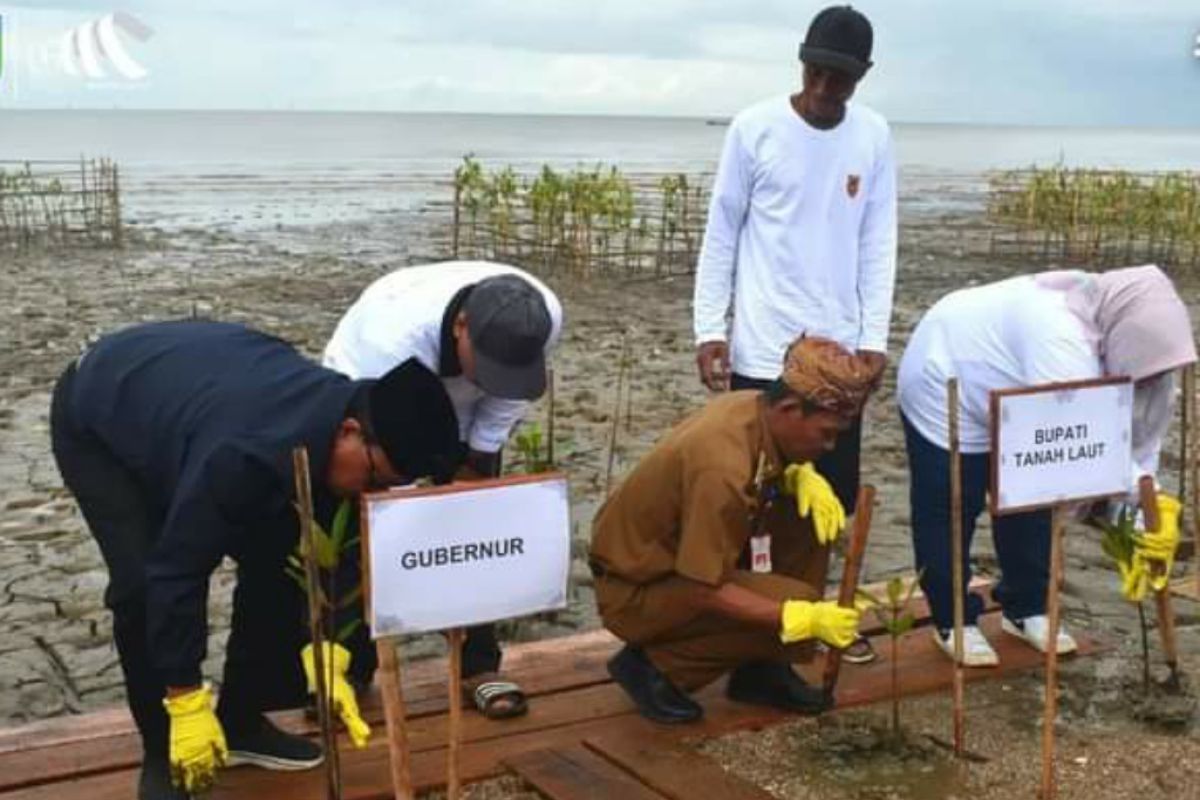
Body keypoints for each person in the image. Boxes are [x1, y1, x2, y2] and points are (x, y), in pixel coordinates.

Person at [50, 320, 463, 799]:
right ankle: (163, 750)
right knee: (141, 583)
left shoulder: (341, 442)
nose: (371, 494)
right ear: (349, 431)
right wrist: (184, 698)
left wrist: (333, 641)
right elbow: (177, 571)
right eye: (374, 480)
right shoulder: (240, 456)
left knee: (277, 565)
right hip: (102, 415)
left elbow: (333, 556)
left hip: (198, 396)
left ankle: (242, 719)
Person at [692, 5, 896, 663]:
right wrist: (708, 326)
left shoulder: (873, 135)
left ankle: (815, 625)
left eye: (840, 78)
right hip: (760, 347)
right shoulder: (755, 129)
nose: (823, 88)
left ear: (861, 77)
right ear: (801, 61)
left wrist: (873, 337)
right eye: (815, 71)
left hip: (838, 356)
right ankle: (760, 629)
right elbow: (723, 229)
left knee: (827, 501)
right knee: (759, 499)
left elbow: (878, 240)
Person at [897, 265, 1196, 666]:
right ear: (1122, 336)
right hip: (950, 376)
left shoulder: (1153, 369)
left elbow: (1140, 447)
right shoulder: (1058, 328)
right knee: (953, 502)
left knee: (1033, 496)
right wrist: (1141, 491)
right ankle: (952, 619)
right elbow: (1078, 439)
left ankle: (1025, 607)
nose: (1154, 377)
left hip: (1031, 399)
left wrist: (1141, 517)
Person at [589, 336, 875, 724]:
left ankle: (762, 670)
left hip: (672, 567)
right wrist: (794, 618)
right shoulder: (722, 468)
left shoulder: (750, 407)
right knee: (797, 600)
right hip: (635, 590)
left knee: (809, 519)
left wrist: (797, 473)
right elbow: (701, 587)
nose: (831, 445)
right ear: (790, 408)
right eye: (826, 433)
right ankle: (654, 668)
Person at [324, 260, 563, 719]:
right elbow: (395, 468)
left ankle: (477, 663)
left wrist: (476, 460)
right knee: (374, 532)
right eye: (487, 363)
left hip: (465, 406)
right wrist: (417, 507)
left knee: (476, 527)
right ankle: (353, 667)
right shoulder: (388, 340)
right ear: (460, 326)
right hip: (375, 398)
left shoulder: (542, 316)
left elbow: (507, 396)